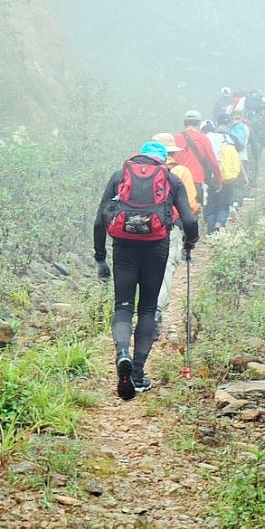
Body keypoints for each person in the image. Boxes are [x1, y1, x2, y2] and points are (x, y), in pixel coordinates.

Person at [93, 141, 199, 400]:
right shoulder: (172, 180)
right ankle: (138, 373)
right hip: (156, 248)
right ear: (163, 160)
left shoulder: (119, 177)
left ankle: (122, 355)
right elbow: (190, 219)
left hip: (123, 248)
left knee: (123, 306)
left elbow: (100, 218)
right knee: (148, 309)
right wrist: (190, 242)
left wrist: (100, 257)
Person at [150, 132, 199, 336]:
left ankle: (141, 311)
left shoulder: (139, 170)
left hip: (141, 230)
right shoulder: (181, 172)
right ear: (173, 153)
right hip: (170, 228)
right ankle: (155, 313)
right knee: (165, 269)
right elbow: (191, 206)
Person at [174, 109, 222, 209]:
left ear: (184, 123)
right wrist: (218, 181)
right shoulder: (203, 138)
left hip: (177, 181)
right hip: (195, 181)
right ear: (199, 123)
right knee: (193, 213)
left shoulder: (175, 138)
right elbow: (214, 162)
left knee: (177, 213)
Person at [201, 119, 237, 233]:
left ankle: (211, 232)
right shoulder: (225, 138)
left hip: (209, 178)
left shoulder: (202, 140)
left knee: (210, 206)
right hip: (225, 176)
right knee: (223, 204)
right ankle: (219, 223)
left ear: (202, 130)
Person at [229, 110, 252, 204]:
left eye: (237, 118)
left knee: (236, 182)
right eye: (232, 118)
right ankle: (235, 204)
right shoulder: (245, 128)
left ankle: (234, 204)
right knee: (237, 182)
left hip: (238, 158)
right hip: (242, 158)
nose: (235, 120)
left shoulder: (240, 127)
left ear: (242, 118)